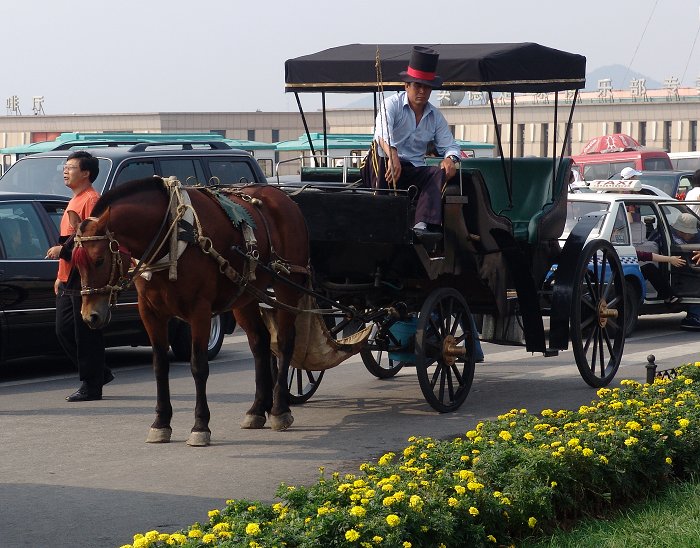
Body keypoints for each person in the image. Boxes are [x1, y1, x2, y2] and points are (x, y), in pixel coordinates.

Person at [362, 46, 461, 241]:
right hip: (384, 167)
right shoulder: (392, 105)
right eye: (417, 85)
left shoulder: (435, 116)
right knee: (378, 151)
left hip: (412, 170)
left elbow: (450, 145)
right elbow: (382, 132)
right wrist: (393, 154)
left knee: (437, 172)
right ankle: (380, 213)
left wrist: (451, 159)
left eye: (427, 87)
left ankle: (422, 223)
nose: (422, 91)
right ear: (407, 86)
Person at [45, 151, 113, 401]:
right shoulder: (75, 199)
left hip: (83, 274)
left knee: (85, 333)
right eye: (65, 166)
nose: (65, 170)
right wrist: (59, 273)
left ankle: (91, 385)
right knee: (63, 330)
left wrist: (61, 250)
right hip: (67, 274)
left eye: (71, 167)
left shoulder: (91, 199)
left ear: (86, 173)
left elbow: (89, 239)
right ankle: (100, 372)